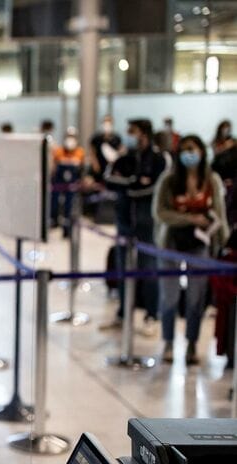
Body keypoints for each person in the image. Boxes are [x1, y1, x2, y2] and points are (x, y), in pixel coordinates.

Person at [154, 135, 229, 365]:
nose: (189, 154)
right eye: (185, 150)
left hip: (200, 245)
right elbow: (160, 212)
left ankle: (192, 344)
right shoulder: (168, 180)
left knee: (196, 298)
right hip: (172, 244)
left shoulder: (211, 180)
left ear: (202, 152)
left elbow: (220, 214)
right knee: (169, 296)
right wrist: (190, 219)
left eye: (193, 149)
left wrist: (223, 243)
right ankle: (167, 341)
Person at [101, 119, 165, 334]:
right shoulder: (125, 157)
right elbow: (109, 179)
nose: (129, 135)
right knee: (122, 268)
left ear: (144, 133)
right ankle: (123, 313)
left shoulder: (158, 158)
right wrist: (135, 182)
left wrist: (128, 184)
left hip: (147, 222)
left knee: (149, 268)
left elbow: (154, 188)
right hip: (124, 220)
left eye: (133, 132)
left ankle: (151, 315)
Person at [50, 127, 86, 236]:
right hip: (58, 183)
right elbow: (54, 168)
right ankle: (53, 221)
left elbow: (81, 169)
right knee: (54, 203)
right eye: (68, 136)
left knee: (69, 207)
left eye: (72, 137)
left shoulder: (80, 152)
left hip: (72, 185)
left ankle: (67, 229)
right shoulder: (59, 151)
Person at [90, 114, 122, 184]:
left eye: (109, 122)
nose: (107, 124)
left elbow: (119, 151)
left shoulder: (116, 138)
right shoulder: (96, 138)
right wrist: (95, 164)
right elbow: (92, 152)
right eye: (105, 121)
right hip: (99, 167)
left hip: (111, 168)